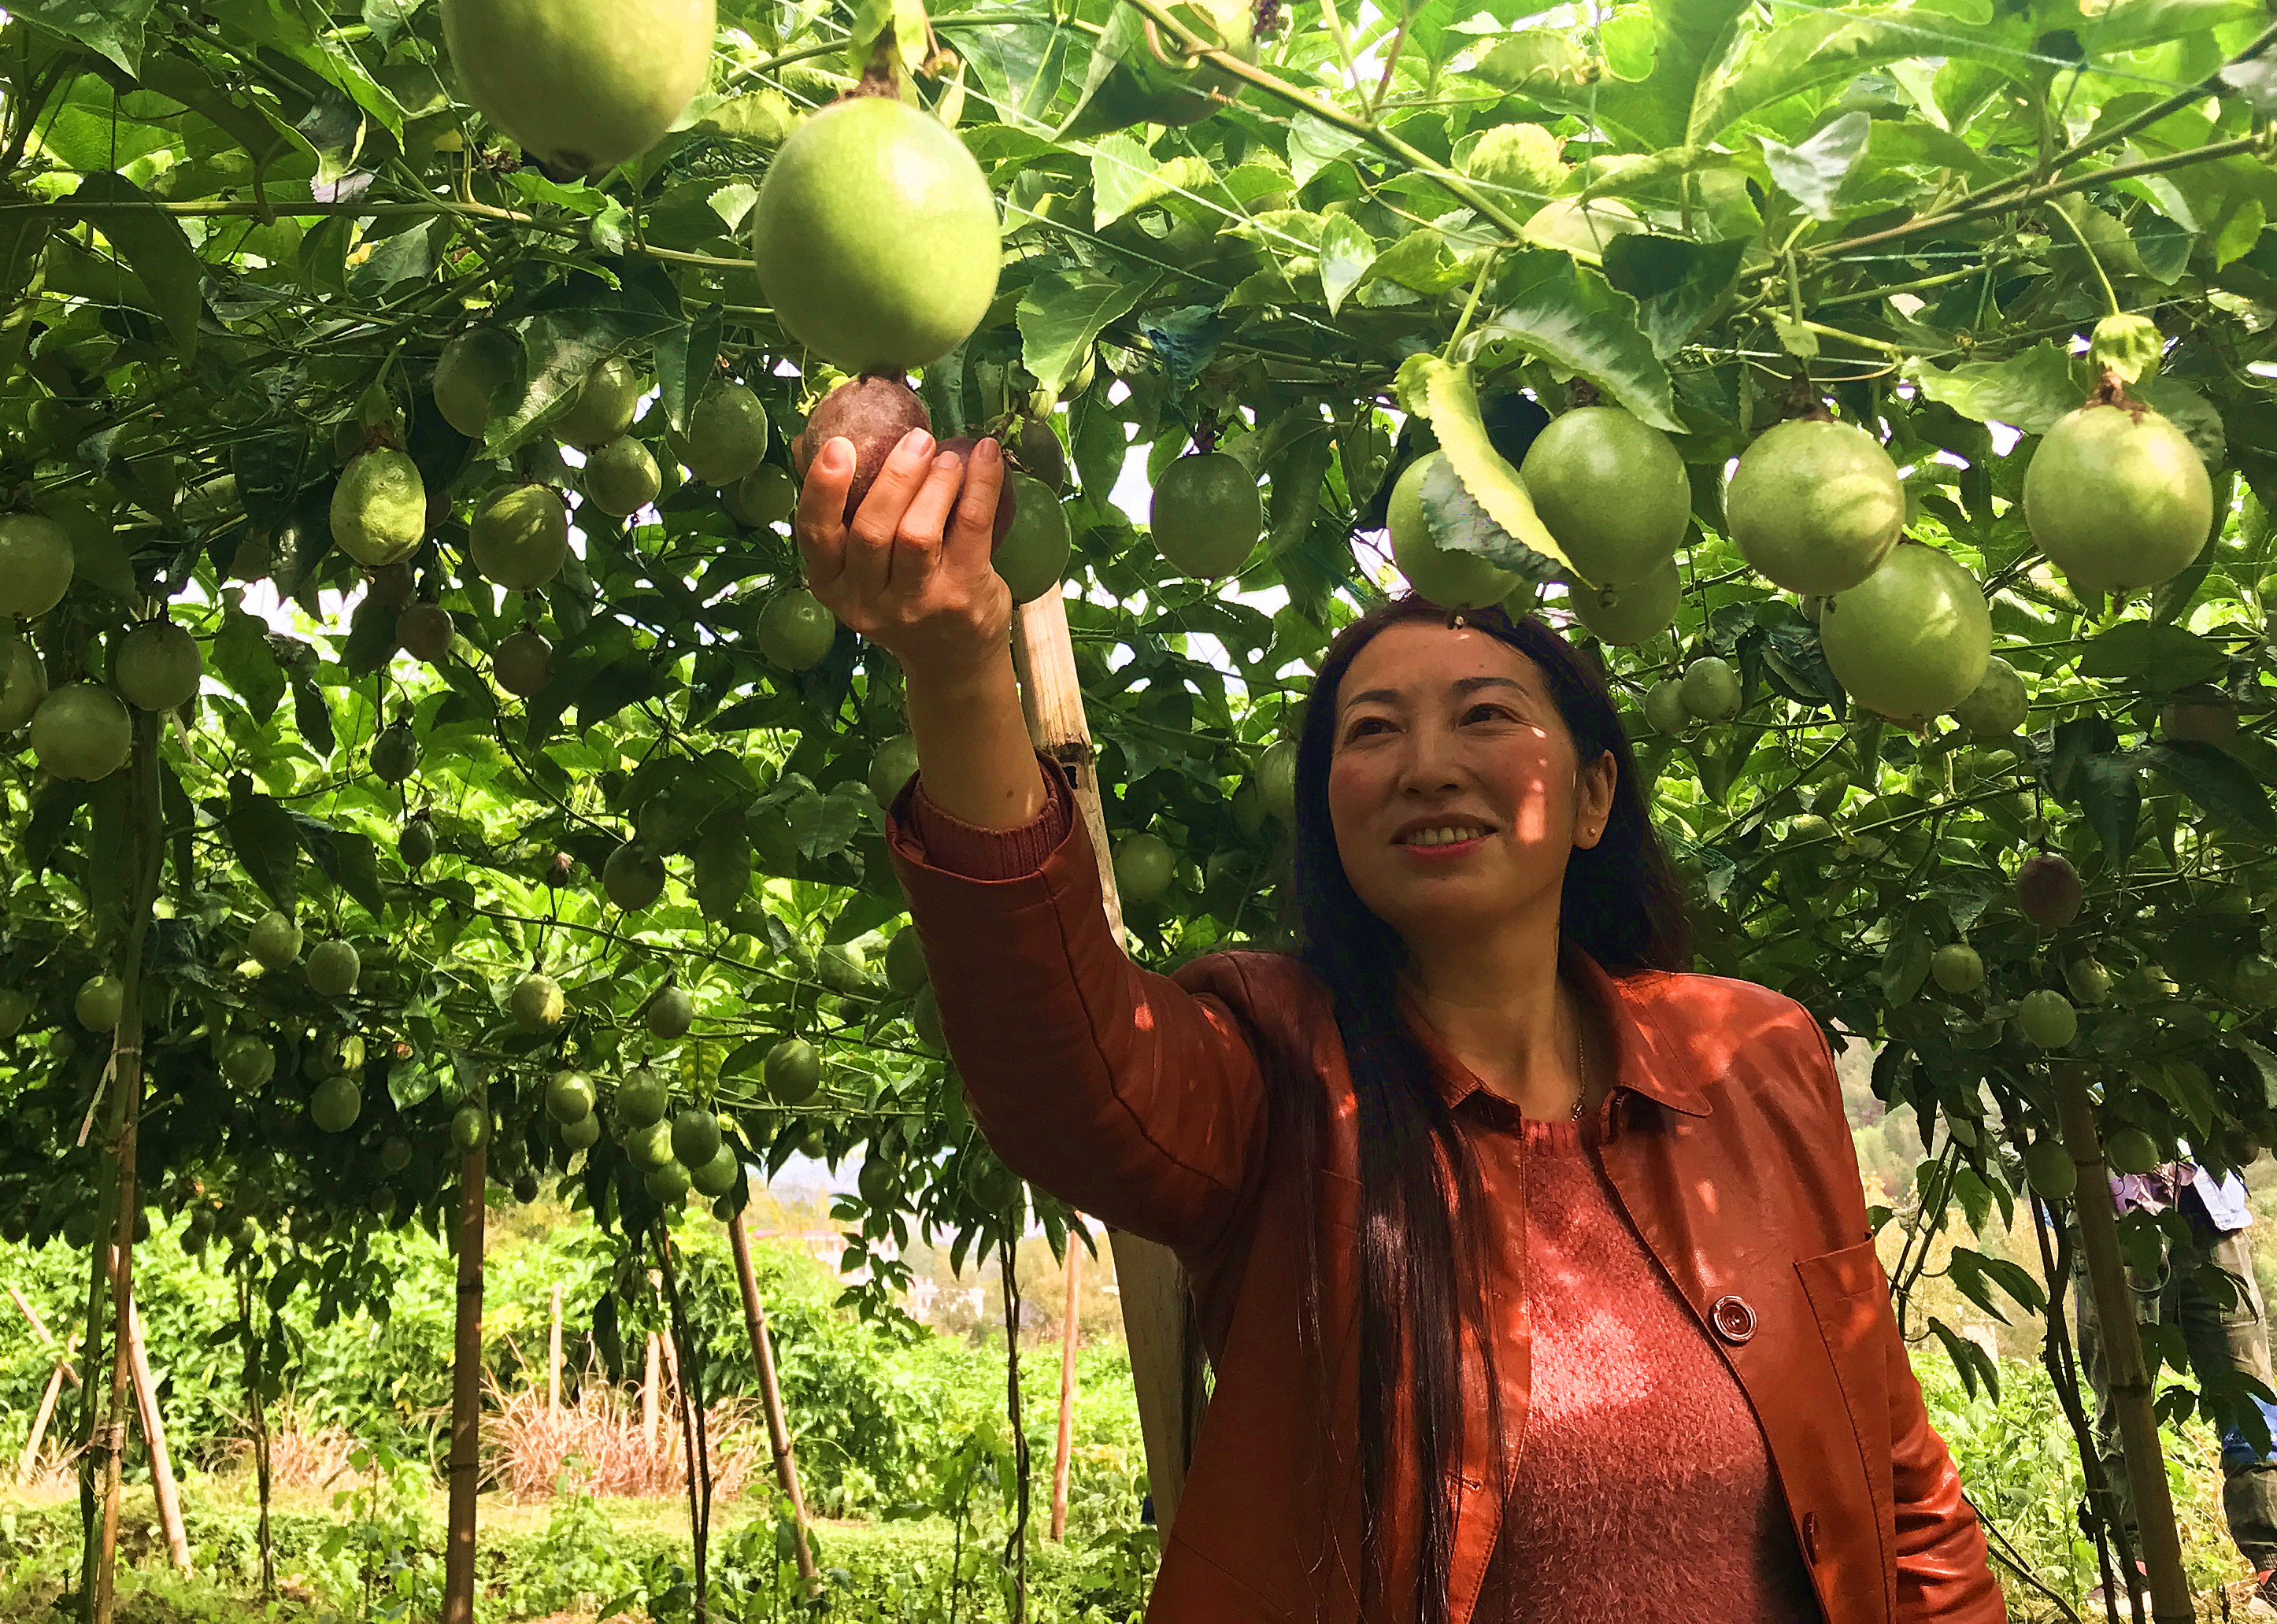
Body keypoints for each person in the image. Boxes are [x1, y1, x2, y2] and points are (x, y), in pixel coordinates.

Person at [799, 424, 2008, 1624]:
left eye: (1485, 716)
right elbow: (1074, 1075)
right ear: (1329, 813)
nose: (1427, 764)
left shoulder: (1753, 1057)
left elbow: (1893, 1476)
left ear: (1594, 795)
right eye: (1371, 732)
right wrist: (960, 668)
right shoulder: (1277, 1069)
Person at [2070, 1156, 2277, 1620]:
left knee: (2249, 1397)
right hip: (2115, 1221)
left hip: (2209, 1213)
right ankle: (2133, 1565)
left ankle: (2274, 1575)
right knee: (2119, 1404)